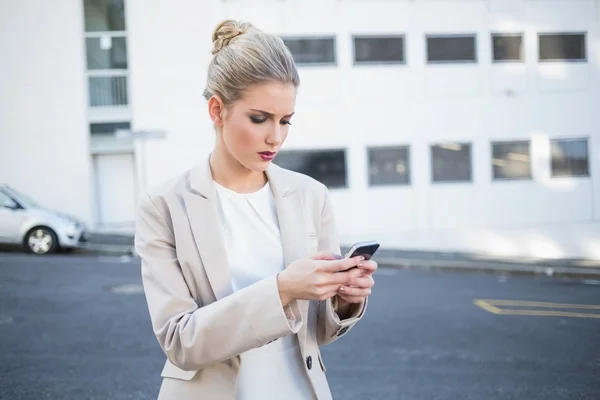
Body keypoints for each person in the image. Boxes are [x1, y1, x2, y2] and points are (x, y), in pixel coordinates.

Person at [134, 19, 377, 400]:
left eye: (285, 121)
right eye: (259, 118)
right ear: (217, 110)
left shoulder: (311, 197)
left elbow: (318, 333)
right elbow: (181, 343)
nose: (275, 137)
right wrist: (282, 289)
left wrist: (344, 299)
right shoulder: (164, 205)